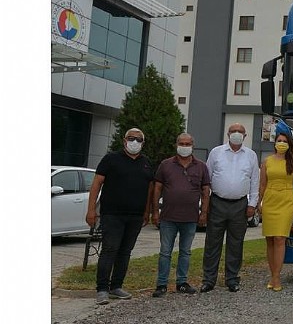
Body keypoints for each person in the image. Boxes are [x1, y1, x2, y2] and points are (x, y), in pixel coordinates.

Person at [86, 128, 154, 305]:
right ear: (124, 141)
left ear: (143, 143)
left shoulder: (146, 162)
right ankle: (102, 289)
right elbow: (96, 184)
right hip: (112, 215)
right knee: (109, 250)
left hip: (135, 216)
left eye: (138, 139)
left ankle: (116, 286)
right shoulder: (110, 159)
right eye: (131, 138)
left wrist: (147, 211)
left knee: (125, 252)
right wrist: (91, 210)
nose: (134, 142)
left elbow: (149, 189)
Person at [200, 123, 260, 293]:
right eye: (233, 131)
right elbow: (207, 178)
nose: (236, 134)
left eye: (240, 131)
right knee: (212, 243)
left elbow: (254, 181)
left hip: (240, 205)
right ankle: (209, 279)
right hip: (217, 202)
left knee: (236, 243)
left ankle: (232, 279)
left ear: (245, 136)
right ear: (228, 134)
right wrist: (206, 204)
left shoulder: (251, 155)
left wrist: (252, 204)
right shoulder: (216, 152)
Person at [151, 133, 211, 297]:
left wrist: (204, 212)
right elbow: (157, 188)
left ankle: (182, 282)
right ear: (176, 145)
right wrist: (155, 211)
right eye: (181, 143)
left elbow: (206, 191)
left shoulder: (201, 166)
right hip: (168, 217)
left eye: (187, 144)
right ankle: (161, 284)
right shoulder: (165, 165)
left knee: (185, 252)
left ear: (193, 145)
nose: (184, 146)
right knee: (165, 252)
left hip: (190, 218)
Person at [258, 132, 293, 291]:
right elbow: (262, 185)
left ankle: (277, 277)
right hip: (270, 200)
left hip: (286, 200)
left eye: (285, 141)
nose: (282, 143)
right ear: (275, 143)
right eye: (279, 141)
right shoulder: (267, 162)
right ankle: (272, 275)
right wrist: (259, 203)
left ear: (289, 144)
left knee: (279, 238)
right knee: (270, 239)